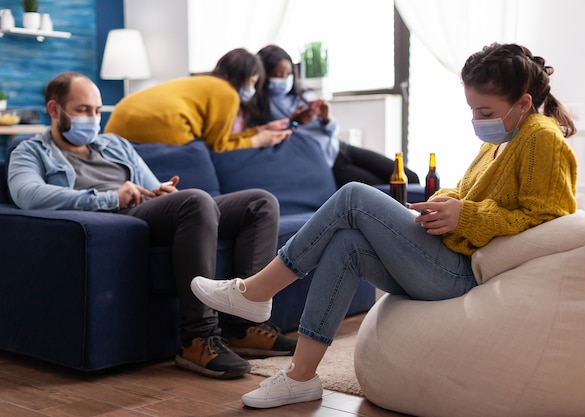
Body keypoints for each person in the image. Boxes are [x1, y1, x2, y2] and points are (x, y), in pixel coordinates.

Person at [189, 42, 578, 407]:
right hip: (449, 255)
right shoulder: (504, 138)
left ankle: (257, 292)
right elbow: (469, 191)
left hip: (463, 273)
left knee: (353, 195)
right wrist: (446, 204)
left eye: (485, 112)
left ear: (524, 103)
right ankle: (300, 376)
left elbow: (551, 220)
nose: (476, 121)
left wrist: (467, 217)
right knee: (347, 245)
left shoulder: (541, 140)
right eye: (473, 110)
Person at [7, 72, 296, 380]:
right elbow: (28, 195)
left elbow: (149, 185)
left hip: (144, 210)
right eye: (82, 110)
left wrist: (161, 191)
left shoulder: (114, 144)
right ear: (55, 110)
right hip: (114, 220)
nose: (92, 119)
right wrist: (109, 198)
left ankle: (243, 326)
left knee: (260, 203)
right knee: (197, 201)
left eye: (96, 110)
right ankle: (197, 339)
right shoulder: (30, 151)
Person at [253, 44, 420, 187]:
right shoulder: (262, 109)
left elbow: (330, 130)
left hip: (341, 147)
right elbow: (278, 146)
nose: (284, 79)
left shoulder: (300, 93)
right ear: (264, 75)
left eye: (288, 74)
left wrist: (326, 119)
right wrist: (294, 123)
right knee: (389, 190)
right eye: (278, 75)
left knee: (410, 178)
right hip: (328, 165)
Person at [104, 48, 291, 151]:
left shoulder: (202, 82)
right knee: (201, 154)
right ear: (245, 78)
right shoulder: (228, 94)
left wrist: (257, 131)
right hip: (161, 127)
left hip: (117, 125)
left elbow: (217, 136)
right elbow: (218, 146)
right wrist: (258, 141)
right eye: (253, 81)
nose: (252, 88)